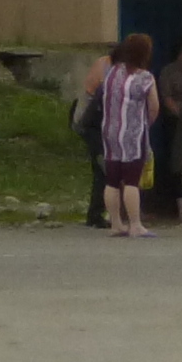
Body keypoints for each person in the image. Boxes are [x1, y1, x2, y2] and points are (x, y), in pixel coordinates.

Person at [96, 33, 157, 237]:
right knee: (132, 180)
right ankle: (135, 224)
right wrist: (145, 123)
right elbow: (153, 107)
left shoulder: (111, 72)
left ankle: (115, 224)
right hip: (133, 134)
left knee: (112, 180)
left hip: (110, 132)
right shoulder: (145, 77)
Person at [155, 38, 182, 224]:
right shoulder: (169, 71)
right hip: (177, 122)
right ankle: (180, 204)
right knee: (177, 163)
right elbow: (167, 97)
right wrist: (180, 115)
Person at [72, 44, 112, 229]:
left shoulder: (105, 64)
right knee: (102, 168)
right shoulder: (104, 68)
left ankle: (97, 212)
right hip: (91, 124)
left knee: (101, 169)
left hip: (94, 124)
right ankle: (95, 213)